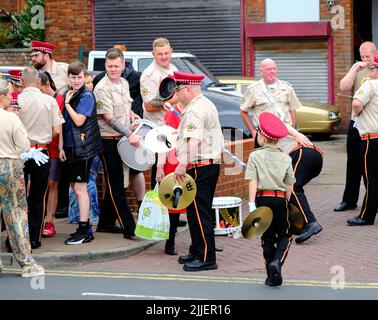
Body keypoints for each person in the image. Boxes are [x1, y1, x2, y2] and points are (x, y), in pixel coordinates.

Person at [172, 71, 223, 272]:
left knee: (200, 213)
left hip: (200, 165)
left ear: (187, 89)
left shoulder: (195, 109)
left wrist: (182, 163)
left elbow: (195, 140)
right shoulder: (204, 103)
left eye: (178, 90)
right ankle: (196, 250)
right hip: (206, 165)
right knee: (195, 212)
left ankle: (206, 257)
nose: (177, 95)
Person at [94, 48, 140, 240]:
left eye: (116, 66)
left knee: (119, 183)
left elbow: (123, 107)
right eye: (109, 66)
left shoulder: (124, 82)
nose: (113, 69)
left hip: (122, 139)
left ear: (123, 66)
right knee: (116, 185)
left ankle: (105, 222)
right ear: (105, 66)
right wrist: (130, 134)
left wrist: (131, 114)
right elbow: (108, 118)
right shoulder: (101, 88)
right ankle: (130, 228)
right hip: (108, 141)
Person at [0, 79, 45, 277]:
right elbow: (24, 146)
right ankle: (27, 264)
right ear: (1, 97)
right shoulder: (10, 118)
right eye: (9, 94)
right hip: (8, 165)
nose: (11, 98)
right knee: (16, 215)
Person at [245, 112, 296, 287]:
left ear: (262, 136)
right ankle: (277, 263)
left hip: (262, 199)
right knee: (285, 235)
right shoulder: (286, 157)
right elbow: (289, 185)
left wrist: (252, 205)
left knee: (266, 236)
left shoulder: (255, 156)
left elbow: (253, 181)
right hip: (280, 199)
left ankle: (270, 275)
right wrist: (289, 205)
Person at [18, 66, 65, 249]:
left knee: (18, 197)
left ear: (22, 81)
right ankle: (35, 238)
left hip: (20, 152)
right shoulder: (49, 101)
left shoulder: (16, 101)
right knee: (38, 197)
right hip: (42, 152)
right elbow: (56, 129)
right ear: (39, 82)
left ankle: (16, 237)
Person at [59, 61, 103, 245]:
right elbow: (62, 122)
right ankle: (82, 228)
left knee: (80, 188)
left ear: (85, 77)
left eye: (79, 77)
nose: (76, 81)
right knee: (75, 188)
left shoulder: (86, 96)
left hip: (83, 149)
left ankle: (85, 230)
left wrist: (67, 103)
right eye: (73, 77)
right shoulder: (68, 94)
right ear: (68, 77)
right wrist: (61, 146)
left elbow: (78, 121)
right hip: (70, 148)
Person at [335, 41, 377, 212]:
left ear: (374, 53)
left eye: (368, 56)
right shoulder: (358, 68)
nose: (365, 59)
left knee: (370, 163)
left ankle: (372, 201)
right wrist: (354, 69)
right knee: (352, 161)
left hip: (372, 121)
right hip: (356, 120)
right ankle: (349, 200)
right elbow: (343, 87)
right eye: (362, 56)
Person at [140, 37, 178, 189]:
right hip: (157, 129)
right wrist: (172, 101)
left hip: (172, 127)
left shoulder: (173, 69)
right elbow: (149, 105)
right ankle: (158, 208)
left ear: (171, 52)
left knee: (172, 169)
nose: (164, 57)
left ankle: (170, 207)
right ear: (153, 54)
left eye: (166, 53)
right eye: (160, 54)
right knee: (159, 171)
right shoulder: (149, 75)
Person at [346, 55, 378, 226]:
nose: (371, 71)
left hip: (371, 139)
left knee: (371, 178)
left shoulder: (370, 84)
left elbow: (357, 104)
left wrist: (358, 113)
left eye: (373, 68)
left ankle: (366, 216)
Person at [240, 58, 301, 147]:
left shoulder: (287, 87)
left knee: (286, 159)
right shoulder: (253, 89)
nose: (272, 71)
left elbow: (293, 109)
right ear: (261, 72)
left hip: (285, 134)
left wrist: (292, 129)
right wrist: (252, 130)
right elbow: (243, 111)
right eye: (269, 69)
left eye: (274, 68)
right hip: (264, 136)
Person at [277, 135, 323, 244]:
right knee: (289, 189)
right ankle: (298, 225)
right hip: (314, 155)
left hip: (302, 153)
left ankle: (311, 223)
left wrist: (297, 135)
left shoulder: (267, 128)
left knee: (292, 188)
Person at [156, 93, 185, 256]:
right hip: (173, 163)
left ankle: (201, 241)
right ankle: (170, 241)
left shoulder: (195, 111)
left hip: (191, 161)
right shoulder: (172, 114)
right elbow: (163, 142)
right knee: (174, 204)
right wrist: (160, 166)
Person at [38, 71, 64, 238]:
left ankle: (49, 221)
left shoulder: (58, 99)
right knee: (34, 185)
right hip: (38, 147)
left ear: (46, 85)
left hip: (53, 147)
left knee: (52, 183)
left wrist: (61, 147)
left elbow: (60, 126)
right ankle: (37, 219)